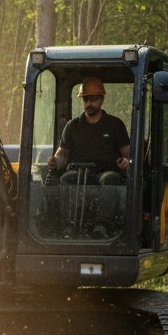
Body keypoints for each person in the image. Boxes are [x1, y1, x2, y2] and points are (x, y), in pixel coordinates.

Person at [45, 77, 130, 238]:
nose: (88, 103)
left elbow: (128, 154)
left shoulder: (115, 125)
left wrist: (126, 162)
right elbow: (63, 154)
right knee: (66, 178)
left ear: (102, 99)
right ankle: (69, 225)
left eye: (93, 99)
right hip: (79, 172)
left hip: (104, 172)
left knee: (110, 178)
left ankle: (102, 224)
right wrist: (55, 161)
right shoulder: (73, 126)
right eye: (85, 99)